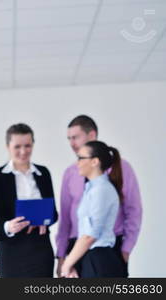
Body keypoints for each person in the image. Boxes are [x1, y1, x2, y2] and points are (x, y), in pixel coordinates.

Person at [56, 115, 142, 277]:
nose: (71, 143)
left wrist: (126, 250)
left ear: (91, 135)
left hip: (100, 252)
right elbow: (66, 218)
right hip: (80, 250)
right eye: (69, 138)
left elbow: (91, 234)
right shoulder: (86, 183)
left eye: (75, 137)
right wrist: (63, 256)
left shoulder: (102, 188)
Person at [0, 123, 58, 277]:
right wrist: (9, 226)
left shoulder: (43, 173)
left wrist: (44, 220)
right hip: (11, 250)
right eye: (17, 147)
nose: (23, 151)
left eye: (27, 146)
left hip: (40, 249)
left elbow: (54, 213)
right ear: (8, 146)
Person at [61, 141, 126, 277]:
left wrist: (67, 264)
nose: (77, 163)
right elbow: (84, 234)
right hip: (90, 258)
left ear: (95, 162)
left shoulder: (101, 190)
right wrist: (73, 263)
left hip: (100, 261)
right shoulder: (91, 189)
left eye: (81, 158)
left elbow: (90, 235)